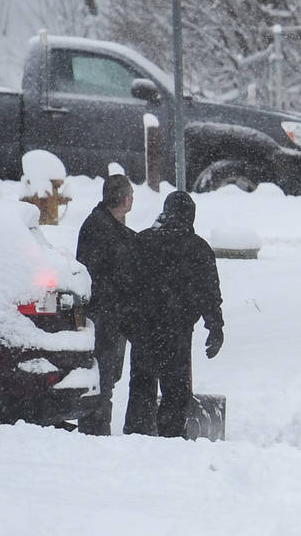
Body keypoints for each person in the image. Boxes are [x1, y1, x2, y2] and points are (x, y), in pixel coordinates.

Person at [124, 192, 224, 438]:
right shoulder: (198, 249)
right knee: (175, 389)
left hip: (143, 329)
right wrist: (215, 326)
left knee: (141, 386)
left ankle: (137, 434)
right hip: (177, 331)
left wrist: (127, 322)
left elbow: (126, 286)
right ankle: (171, 437)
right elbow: (209, 293)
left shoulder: (143, 241)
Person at [73, 173, 135, 436]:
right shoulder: (100, 228)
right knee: (103, 376)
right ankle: (96, 430)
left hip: (111, 314)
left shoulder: (109, 225)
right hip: (104, 315)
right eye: (131, 196)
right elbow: (104, 272)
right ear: (123, 199)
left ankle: (97, 425)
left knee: (108, 376)